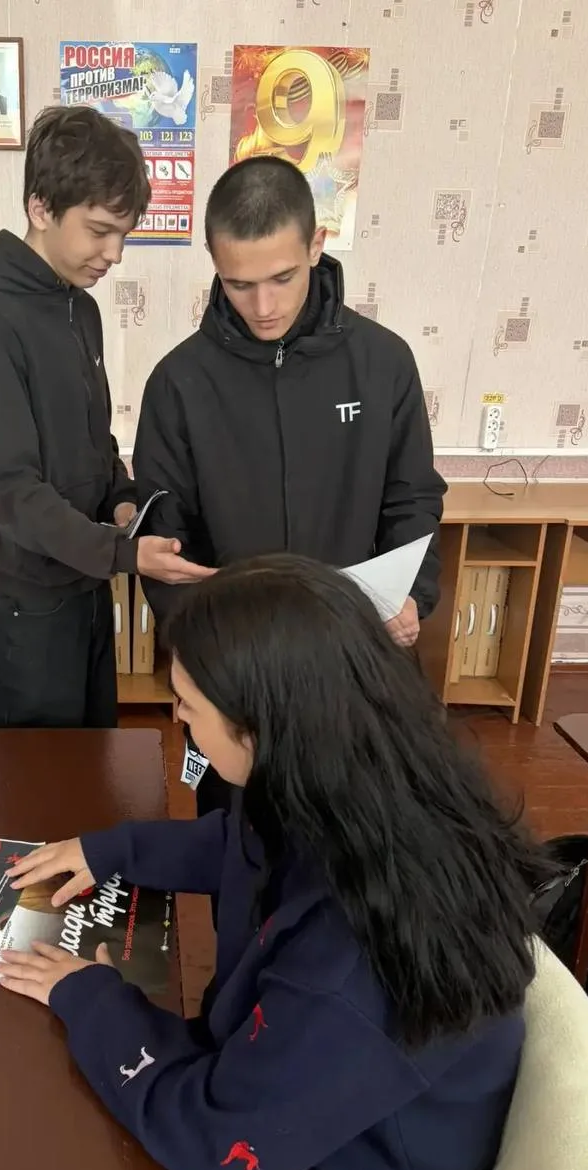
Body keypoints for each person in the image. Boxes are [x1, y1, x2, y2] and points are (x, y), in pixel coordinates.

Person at [0, 556, 546, 1170]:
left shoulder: (354, 962)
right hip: (301, 1137)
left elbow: (212, 1136)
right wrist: (113, 851)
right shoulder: (366, 790)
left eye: (187, 705)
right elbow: (239, 845)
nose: (177, 720)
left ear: (257, 728)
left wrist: (92, 999)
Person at [132, 156, 447, 814]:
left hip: (355, 665)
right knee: (236, 848)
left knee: (357, 844)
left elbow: (412, 497)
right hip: (236, 679)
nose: (264, 307)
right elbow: (167, 542)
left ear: (315, 245)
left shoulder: (383, 363)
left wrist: (412, 595)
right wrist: (206, 657)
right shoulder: (179, 383)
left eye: (282, 278)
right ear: (215, 264)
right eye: (239, 284)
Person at [0, 106, 211, 729]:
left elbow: (94, 439)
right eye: (99, 231)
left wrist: (121, 499)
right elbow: (14, 493)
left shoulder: (78, 308)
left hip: (87, 581)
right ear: (41, 208)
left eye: (124, 234)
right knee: (37, 769)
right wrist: (125, 555)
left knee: (93, 747)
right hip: (32, 597)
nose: (114, 254)